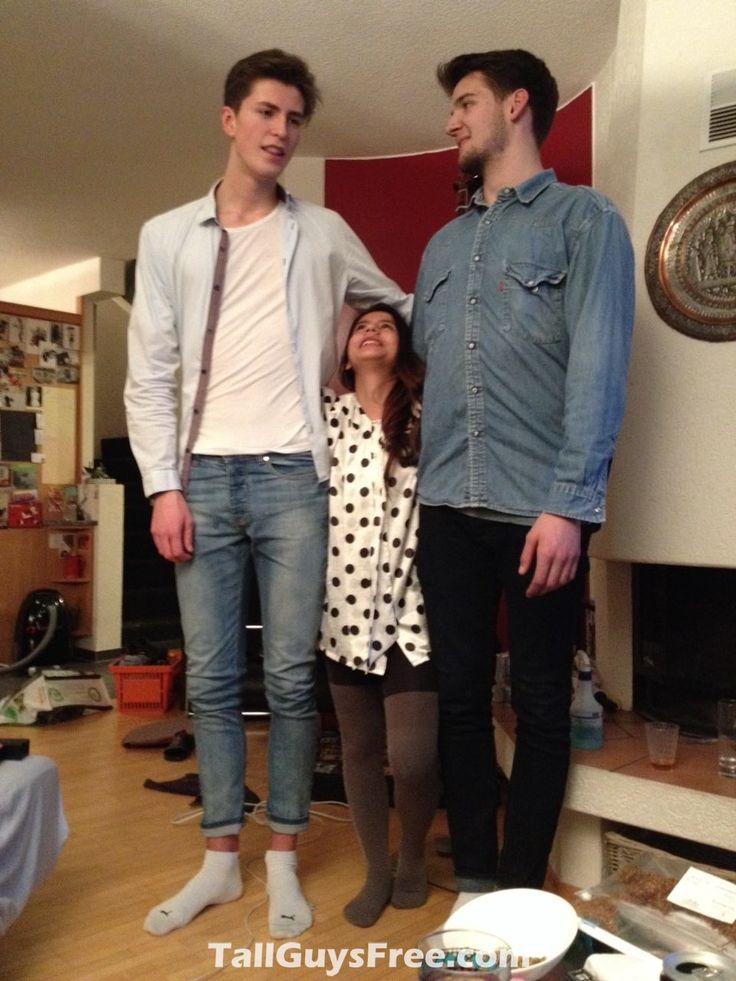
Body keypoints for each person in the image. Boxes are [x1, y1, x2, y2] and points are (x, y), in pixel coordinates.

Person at [124, 49, 410, 939]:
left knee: (289, 678)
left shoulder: (321, 231)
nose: (281, 131)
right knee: (210, 680)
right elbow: (150, 377)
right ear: (230, 118)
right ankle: (218, 859)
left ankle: (281, 856)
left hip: (297, 477)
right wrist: (163, 487)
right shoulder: (166, 234)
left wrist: (390, 367)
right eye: (267, 113)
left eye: (294, 118)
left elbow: (395, 302)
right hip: (202, 477)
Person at [412, 49, 635, 906]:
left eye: (464, 102)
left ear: (516, 106)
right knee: (459, 698)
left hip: (539, 510)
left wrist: (569, 508)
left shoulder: (586, 221)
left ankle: (518, 890)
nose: (451, 121)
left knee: (542, 704)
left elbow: (599, 370)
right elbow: (433, 363)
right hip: (445, 508)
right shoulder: (441, 244)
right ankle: (475, 876)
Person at [319, 303, 439, 928]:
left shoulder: (427, 414)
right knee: (359, 751)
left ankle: (412, 854)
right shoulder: (323, 419)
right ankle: (376, 868)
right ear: (345, 355)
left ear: (402, 346)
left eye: (387, 325)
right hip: (340, 608)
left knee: (415, 756)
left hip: (412, 608)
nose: (372, 330)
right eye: (361, 326)